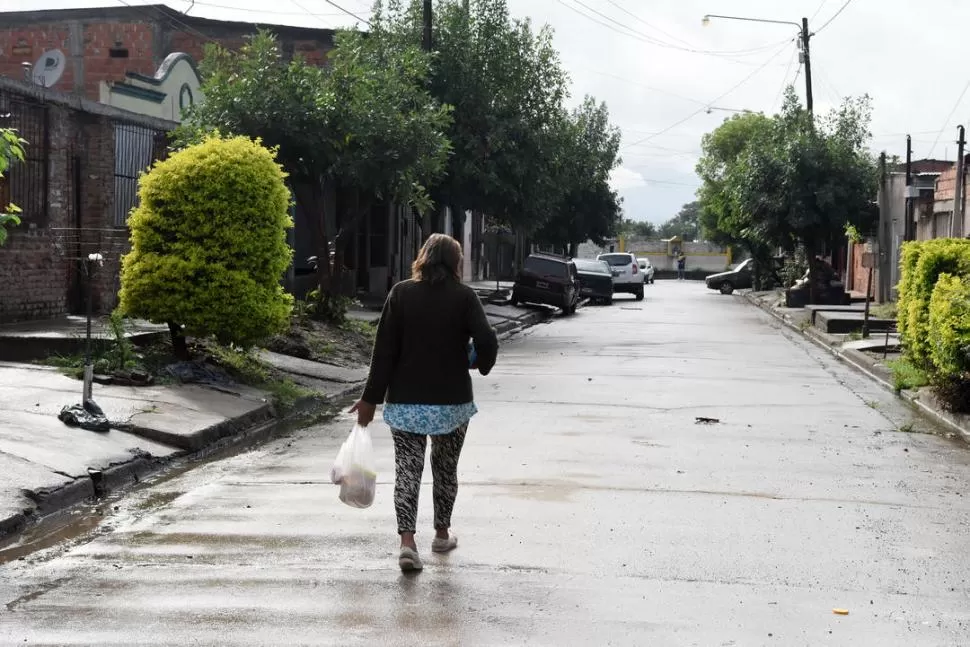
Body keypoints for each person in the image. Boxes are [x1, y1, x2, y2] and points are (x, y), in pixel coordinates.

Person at [351, 234, 498, 572]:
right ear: (454, 262)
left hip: (405, 404)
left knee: (407, 471)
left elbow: (384, 352)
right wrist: (481, 363)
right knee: (445, 470)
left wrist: (370, 400)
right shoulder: (464, 297)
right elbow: (487, 339)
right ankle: (442, 534)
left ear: (423, 258)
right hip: (452, 405)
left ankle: (407, 543)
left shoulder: (400, 294)